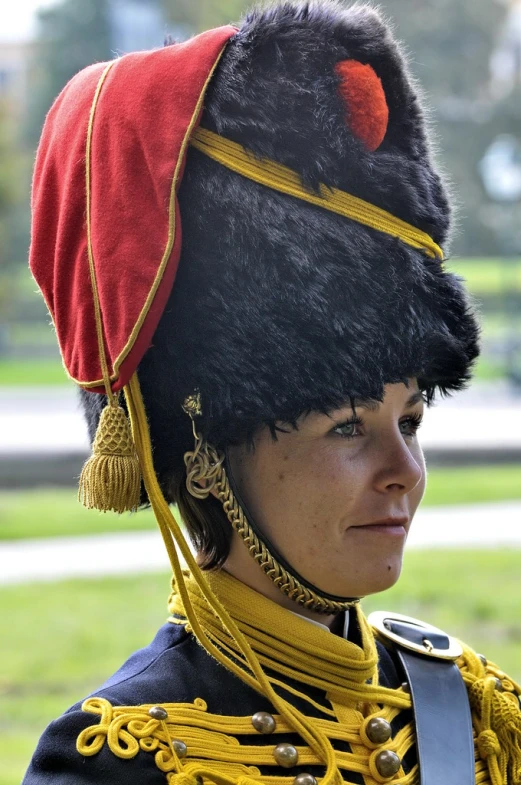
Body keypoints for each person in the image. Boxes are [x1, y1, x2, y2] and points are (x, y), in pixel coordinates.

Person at [23, 2, 520, 784]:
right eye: (349, 426)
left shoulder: (475, 711)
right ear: (206, 452)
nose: (404, 470)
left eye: (412, 420)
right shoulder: (119, 758)